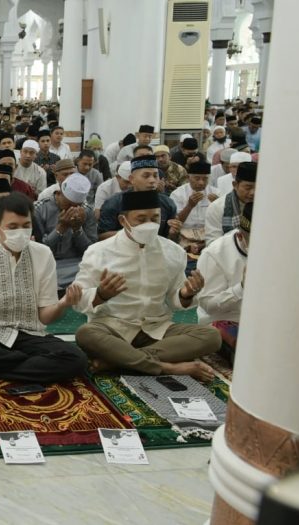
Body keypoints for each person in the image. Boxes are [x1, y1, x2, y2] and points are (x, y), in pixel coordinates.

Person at [73, 191, 221, 381]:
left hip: (156, 328)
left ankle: (118, 360)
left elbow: (174, 300)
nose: (149, 224)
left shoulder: (173, 252)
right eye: (141, 219)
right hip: (113, 328)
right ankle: (167, 367)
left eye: (155, 218)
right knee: (86, 333)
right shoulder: (98, 252)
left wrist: (185, 294)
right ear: (123, 220)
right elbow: (77, 301)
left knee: (211, 336)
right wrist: (101, 294)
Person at [0, 193, 88, 383]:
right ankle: (32, 365)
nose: (21, 232)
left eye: (26, 225)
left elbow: (45, 317)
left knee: (76, 359)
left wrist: (62, 304)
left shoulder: (43, 254)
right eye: (13, 227)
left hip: (30, 335)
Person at [197, 202, 251, 351]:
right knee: (251, 352)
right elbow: (208, 306)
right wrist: (241, 288)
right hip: (228, 320)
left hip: (265, 318)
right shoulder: (215, 253)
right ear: (240, 236)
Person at [97, 155, 180, 241]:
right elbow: (102, 236)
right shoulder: (114, 203)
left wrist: (173, 234)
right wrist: (133, 233)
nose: (152, 180)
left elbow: (168, 239)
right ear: (132, 179)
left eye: (155, 176)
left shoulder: (168, 203)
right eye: (146, 176)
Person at [35, 174, 98, 288]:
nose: (72, 209)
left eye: (77, 206)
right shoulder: (39, 209)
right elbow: (38, 251)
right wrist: (61, 228)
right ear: (59, 193)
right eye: (69, 204)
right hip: (48, 264)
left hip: (77, 265)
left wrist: (77, 230)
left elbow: (91, 251)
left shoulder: (86, 211)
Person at [170, 161, 219, 255]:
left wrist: (217, 205)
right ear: (188, 178)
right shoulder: (177, 194)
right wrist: (189, 206)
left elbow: (221, 221)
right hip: (184, 235)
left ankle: (201, 246)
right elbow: (176, 222)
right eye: (197, 178)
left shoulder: (216, 193)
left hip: (208, 234)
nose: (201, 182)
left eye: (205, 179)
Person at [205, 161, 255, 245]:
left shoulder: (266, 207)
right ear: (235, 185)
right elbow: (212, 244)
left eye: (258, 188)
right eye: (248, 188)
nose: (253, 193)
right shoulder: (217, 207)